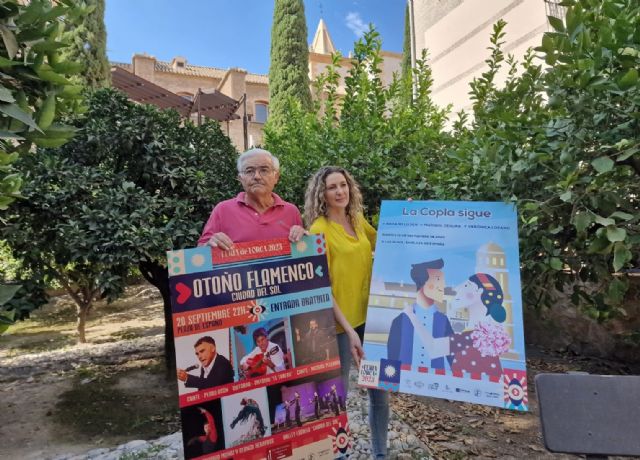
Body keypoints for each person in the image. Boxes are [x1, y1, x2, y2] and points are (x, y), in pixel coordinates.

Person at [304, 166, 389, 459]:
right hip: (339, 327)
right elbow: (322, 287)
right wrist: (350, 330)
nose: (340, 191)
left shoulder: (358, 219)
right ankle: (339, 454)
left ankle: (380, 454)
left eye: (343, 185)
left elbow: (390, 243)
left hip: (373, 320)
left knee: (379, 392)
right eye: (332, 187)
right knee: (337, 398)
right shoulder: (319, 229)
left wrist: (409, 219)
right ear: (322, 194)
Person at [198, 148, 306, 248]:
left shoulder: (291, 211)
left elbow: (302, 254)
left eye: (264, 170)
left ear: (276, 177)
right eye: (249, 171)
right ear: (241, 179)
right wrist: (210, 244)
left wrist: (305, 238)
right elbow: (200, 254)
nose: (257, 176)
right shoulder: (222, 210)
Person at [422, 273, 511, 380]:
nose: (456, 288)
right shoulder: (488, 335)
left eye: (466, 286)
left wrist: (411, 316)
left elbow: (434, 349)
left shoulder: (476, 336)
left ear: (479, 291)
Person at [387, 259, 455, 371]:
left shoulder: (443, 321)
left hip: (436, 384)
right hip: (404, 382)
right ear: (423, 282)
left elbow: (454, 359)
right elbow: (392, 358)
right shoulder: (400, 320)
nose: (443, 285)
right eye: (438, 280)